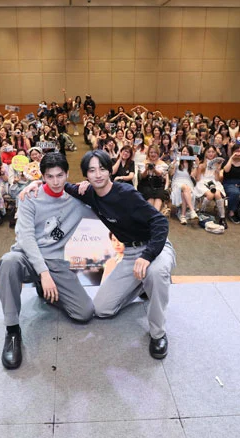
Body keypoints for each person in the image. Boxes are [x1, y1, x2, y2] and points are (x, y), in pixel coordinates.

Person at [64, 150, 176, 359]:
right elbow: (62, 185)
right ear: (86, 175)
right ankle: (143, 285)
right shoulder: (89, 192)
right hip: (131, 253)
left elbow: (160, 222)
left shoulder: (126, 194)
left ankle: (158, 333)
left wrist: (148, 256)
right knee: (102, 309)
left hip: (155, 247)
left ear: (110, 170)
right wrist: (35, 185)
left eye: (102, 169)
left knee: (155, 273)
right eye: (92, 171)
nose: (98, 175)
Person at [0, 152, 95, 369]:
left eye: (60, 175)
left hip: (55, 262)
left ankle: (45, 290)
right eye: (50, 176)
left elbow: (105, 202)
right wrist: (43, 273)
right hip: (27, 257)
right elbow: (25, 238)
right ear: (42, 177)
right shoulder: (29, 196)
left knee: (84, 313)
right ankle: (12, 331)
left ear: (67, 174)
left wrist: (90, 188)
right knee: (9, 261)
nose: (55, 182)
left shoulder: (77, 200)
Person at [192, 145, 227, 227]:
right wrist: (198, 167)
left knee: (217, 194)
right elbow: (197, 179)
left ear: (215, 153)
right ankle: (202, 212)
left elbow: (217, 179)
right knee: (210, 195)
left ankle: (222, 218)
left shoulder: (216, 163)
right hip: (202, 182)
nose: (211, 154)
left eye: (213, 152)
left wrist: (218, 170)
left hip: (214, 182)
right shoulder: (201, 164)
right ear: (205, 153)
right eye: (209, 152)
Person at [169, 145, 200, 225]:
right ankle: (192, 210)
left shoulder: (192, 164)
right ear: (181, 152)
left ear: (190, 154)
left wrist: (197, 165)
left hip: (188, 182)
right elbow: (171, 174)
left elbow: (194, 176)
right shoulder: (177, 162)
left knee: (184, 191)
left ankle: (183, 216)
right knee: (184, 187)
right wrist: (174, 162)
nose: (185, 153)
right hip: (177, 182)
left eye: (187, 152)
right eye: (184, 151)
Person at [137, 145, 169, 212]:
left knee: (158, 199)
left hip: (158, 185)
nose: (153, 154)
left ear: (158, 153)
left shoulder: (162, 164)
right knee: (150, 199)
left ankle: (155, 215)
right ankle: (151, 216)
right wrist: (146, 169)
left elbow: (159, 174)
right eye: (151, 152)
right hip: (146, 185)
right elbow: (143, 176)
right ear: (148, 153)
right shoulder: (144, 163)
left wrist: (154, 169)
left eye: (155, 152)